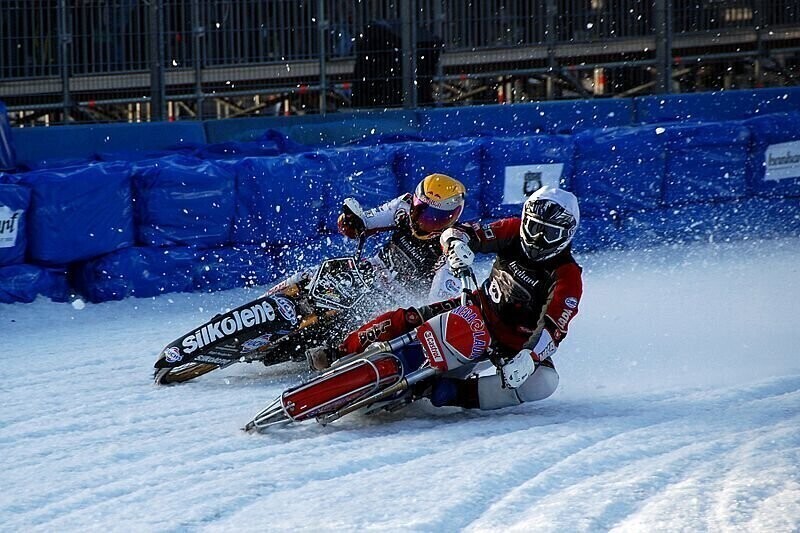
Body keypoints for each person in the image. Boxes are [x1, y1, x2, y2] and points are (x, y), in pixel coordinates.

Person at [330, 185, 583, 411]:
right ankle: (338, 351)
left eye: (549, 234)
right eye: (534, 228)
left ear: (567, 235)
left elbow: (553, 328)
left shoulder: (568, 276)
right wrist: (457, 245)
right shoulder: (513, 229)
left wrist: (530, 356)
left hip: (512, 344)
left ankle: (452, 393)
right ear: (525, 220)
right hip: (475, 308)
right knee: (407, 318)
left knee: (544, 382)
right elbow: (465, 231)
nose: (538, 239)